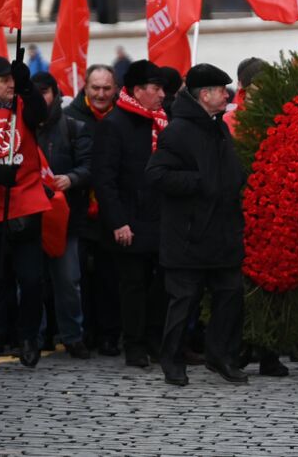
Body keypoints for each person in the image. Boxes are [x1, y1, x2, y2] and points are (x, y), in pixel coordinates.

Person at [145, 64, 248, 387]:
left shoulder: (218, 127)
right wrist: (200, 182)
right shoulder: (178, 130)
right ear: (205, 95)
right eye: (221, 90)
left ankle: (219, 356)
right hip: (189, 234)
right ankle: (172, 360)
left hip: (222, 232)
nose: (227, 95)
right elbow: (156, 174)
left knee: (230, 293)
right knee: (183, 302)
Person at [92, 59, 168, 369]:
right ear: (138, 91)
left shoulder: (162, 121)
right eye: (156, 88)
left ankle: (155, 337)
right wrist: (118, 221)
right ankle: (134, 343)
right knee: (133, 285)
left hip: (160, 220)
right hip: (130, 221)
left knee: (163, 282)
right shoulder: (114, 124)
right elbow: (104, 179)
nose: (162, 95)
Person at [0, 55, 52, 367]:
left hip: (25, 202)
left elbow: (43, 115)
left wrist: (27, 87)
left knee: (30, 279)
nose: (9, 86)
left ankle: (29, 336)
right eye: (4, 81)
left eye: (11, 79)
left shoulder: (21, 104)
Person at [31, 72, 93, 359]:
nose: (40, 98)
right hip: (29, 216)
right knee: (29, 282)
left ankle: (73, 336)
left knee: (68, 280)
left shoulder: (73, 127)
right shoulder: (19, 127)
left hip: (62, 219)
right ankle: (33, 335)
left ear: (55, 93)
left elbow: (88, 166)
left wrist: (72, 178)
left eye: (45, 92)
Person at [65, 63, 121, 356]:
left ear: (115, 89)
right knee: (80, 278)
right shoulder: (69, 118)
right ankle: (84, 333)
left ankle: (111, 335)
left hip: (113, 213)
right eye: (95, 88)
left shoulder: (123, 116)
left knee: (110, 277)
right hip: (80, 211)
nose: (100, 94)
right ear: (85, 88)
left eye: (106, 88)